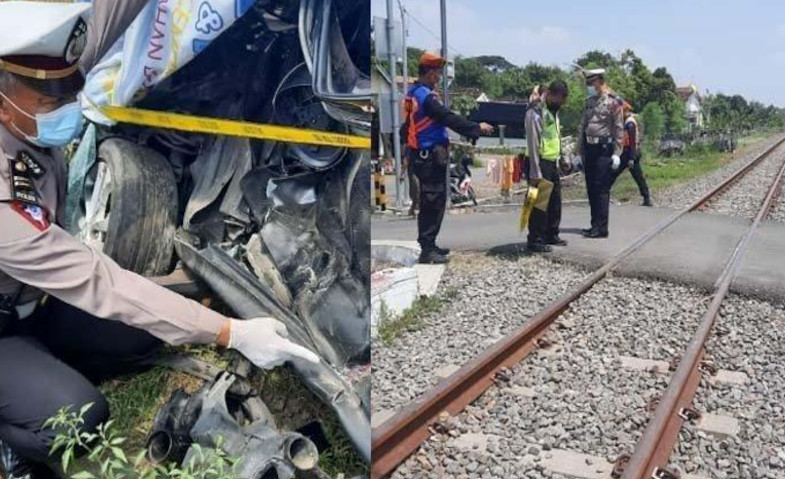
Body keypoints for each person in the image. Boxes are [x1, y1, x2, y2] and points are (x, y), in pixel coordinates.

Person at [0, 3, 318, 477]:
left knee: (141, 331)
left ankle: (36, 370)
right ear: (5, 105)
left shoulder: (33, 80)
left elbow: (110, 15)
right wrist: (232, 333)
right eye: (51, 103)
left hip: (32, 302)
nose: (68, 105)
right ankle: (14, 438)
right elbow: (99, 282)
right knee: (80, 418)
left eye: (72, 90)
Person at [402, 52, 494, 264]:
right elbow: (447, 118)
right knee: (432, 202)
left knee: (432, 201)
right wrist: (475, 128)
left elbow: (406, 128)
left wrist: (407, 152)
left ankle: (430, 244)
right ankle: (427, 250)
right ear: (431, 73)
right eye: (438, 73)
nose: (440, 78)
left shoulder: (412, 94)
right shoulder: (426, 97)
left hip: (422, 156)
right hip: (428, 158)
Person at [524, 81, 570, 253]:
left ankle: (551, 234)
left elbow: (556, 135)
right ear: (550, 94)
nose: (561, 103)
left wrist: (563, 157)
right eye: (559, 99)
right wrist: (535, 170)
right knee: (538, 203)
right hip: (538, 161)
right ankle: (535, 239)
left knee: (554, 201)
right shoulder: (535, 111)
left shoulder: (553, 111)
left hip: (551, 161)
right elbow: (534, 141)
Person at [577, 68, 624, 238]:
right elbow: (583, 127)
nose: (589, 86)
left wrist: (617, 153)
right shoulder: (589, 101)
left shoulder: (614, 102)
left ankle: (602, 228)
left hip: (604, 150)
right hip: (590, 149)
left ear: (600, 81)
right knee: (591, 188)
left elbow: (619, 128)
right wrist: (579, 151)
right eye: (588, 83)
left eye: (591, 82)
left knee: (602, 189)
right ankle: (594, 224)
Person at [611, 102, 652, 206]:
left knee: (636, 176)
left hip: (630, 153)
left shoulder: (630, 123)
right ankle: (646, 197)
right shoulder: (626, 122)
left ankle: (647, 198)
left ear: (625, 111)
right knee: (637, 177)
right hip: (627, 153)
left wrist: (632, 158)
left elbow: (632, 142)